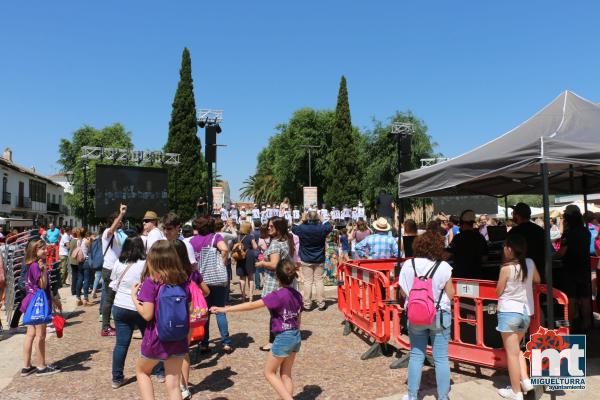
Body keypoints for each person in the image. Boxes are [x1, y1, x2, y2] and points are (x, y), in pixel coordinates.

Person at [211, 259, 303, 400]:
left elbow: (251, 305)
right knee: (286, 374)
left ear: (277, 277)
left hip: (284, 336)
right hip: (295, 335)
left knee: (269, 372)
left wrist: (226, 308)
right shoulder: (298, 295)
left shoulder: (277, 295)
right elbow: (298, 319)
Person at [131, 240, 191, 400]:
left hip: (157, 337)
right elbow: (188, 309)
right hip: (178, 337)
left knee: (142, 371)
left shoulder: (152, 281)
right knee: (173, 384)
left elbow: (147, 315)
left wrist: (133, 297)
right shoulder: (184, 280)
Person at [398, 231, 454, 400]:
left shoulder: (409, 265)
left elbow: (403, 291)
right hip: (439, 314)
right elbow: (450, 293)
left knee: (416, 355)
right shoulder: (444, 267)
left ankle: (412, 396)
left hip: (416, 314)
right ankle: (443, 397)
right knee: (441, 358)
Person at [496, 234, 540, 400]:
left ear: (509, 249)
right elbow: (537, 279)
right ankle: (525, 381)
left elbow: (498, 291)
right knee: (517, 350)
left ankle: (516, 392)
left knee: (511, 353)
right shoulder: (530, 263)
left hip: (508, 312)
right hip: (526, 312)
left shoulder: (506, 268)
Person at [172, 239, 210, 400]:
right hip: (189, 315)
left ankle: (174, 384)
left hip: (171, 315)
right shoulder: (192, 272)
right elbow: (206, 291)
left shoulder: (166, 273)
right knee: (183, 351)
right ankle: (184, 386)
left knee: (172, 352)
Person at [189, 216, 233, 353]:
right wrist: (223, 262)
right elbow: (224, 249)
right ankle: (225, 342)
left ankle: (204, 343)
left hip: (201, 281)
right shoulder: (215, 237)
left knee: (204, 311)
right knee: (220, 310)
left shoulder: (192, 241)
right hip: (217, 279)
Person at [21, 239, 62, 377]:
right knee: (41, 336)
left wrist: (54, 299)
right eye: (42, 249)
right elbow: (43, 285)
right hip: (39, 304)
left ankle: (26, 367)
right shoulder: (37, 265)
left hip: (30, 302)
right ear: (35, 251)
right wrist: (43, 270)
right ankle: (41, 366)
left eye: (46, 248)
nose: (46, 251)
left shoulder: (29, 265)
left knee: (30, 335)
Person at [110, 235, 146, 389]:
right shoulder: (145, 263)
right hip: (140, 305)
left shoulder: (118, 262)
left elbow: (113, 281)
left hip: (120, 305)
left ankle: (117, 378)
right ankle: (158, 371)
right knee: (150, 340)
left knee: (121, 345)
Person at [256, 217, 295, 350]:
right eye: (268, 226)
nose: (268, 228)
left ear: (279, 228)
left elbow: (274, 264)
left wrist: (261, 263)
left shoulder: (276, 243)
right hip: (283, 283)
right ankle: (284, 338)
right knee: (282, 314)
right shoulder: (286, 240)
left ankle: (273, 341)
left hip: (274, 283)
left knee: (275, 315)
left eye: (271, 226)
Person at [554, 204, 592, 333]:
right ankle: (587, 324)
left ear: (568, 217)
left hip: (570, 269)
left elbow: (562, 252)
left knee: (570, 299)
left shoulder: (568, 233)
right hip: (585, 269)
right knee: (585, 298)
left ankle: (569, 327)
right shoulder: (585, 231)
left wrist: (551, 256)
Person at [291, 211, 332, 311]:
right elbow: (329, 226)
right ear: (317, 217)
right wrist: (322, 219)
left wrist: (302, 219)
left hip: (306, 257)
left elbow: (293, 228)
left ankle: (307, 304)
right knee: (319, 280)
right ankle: (321, 303)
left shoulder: (302, 228)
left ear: (308, 217)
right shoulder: (322, 228)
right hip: (319, 258)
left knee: (308, 281)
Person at [101, 204, 128, 337]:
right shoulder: (107, 233)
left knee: (115, 298)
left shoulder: (118, 234)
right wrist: (121, 214)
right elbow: (112, 229)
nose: (121, 223)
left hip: (116, 270)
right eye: (119, 221)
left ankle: (113, 324)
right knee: (109, 299)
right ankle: (105, 327)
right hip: (109, 270)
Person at [509, 203, 546, 282]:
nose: (512, 216)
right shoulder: (540, 230)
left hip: (521, 274)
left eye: (513, 213)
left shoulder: (514, 232)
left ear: (517, 215)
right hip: (540, 271)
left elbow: (509, 253)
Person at [447, 210, 487, 279]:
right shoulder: (480, 237)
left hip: (459, 275)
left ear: (462, 223)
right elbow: (484, 258)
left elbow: (451, 255)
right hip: (476, 275)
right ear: (472, 223)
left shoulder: (457, 238)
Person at [233, 222, 258, 302]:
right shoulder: (251, 236)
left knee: (242, 277)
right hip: (249, 256)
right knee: (250, 277)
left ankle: (243, 296)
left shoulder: (238, 237)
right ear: (249, 228)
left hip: (240, 257)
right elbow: (255, 247)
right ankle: (251, 297)